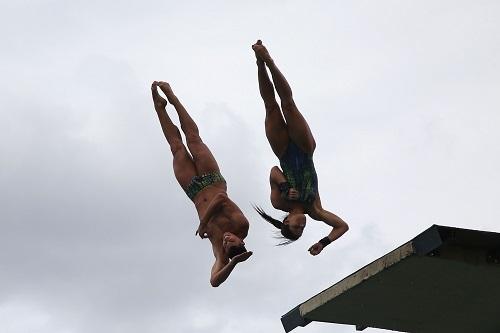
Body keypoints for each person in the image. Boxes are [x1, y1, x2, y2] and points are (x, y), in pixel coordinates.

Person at [251, 40, 349, 255]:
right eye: (302, 231)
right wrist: (323, 243)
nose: (301, 226)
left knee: (272, 106)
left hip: (284, 151)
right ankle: (268, 62)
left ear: (286, 221)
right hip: (305, 150)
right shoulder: (315, 209)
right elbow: (342, 226)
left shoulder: (279, 202)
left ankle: (262, 63)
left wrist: (285, 186)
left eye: (295, 227)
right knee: (288, 104)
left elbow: (273, 172)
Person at [151, 81, 252, 286]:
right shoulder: (241, 225)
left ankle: (159, 107)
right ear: (241, 240)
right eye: (231, 240)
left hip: (194, 191)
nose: (226, 239)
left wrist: (233, 262)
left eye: (226, 244)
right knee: (194, 139)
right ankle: (172, 97)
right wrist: (204, 223)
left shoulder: (221, 251)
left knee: (176, 148)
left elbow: (214, 281)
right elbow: (221, 199)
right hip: (212, 180)